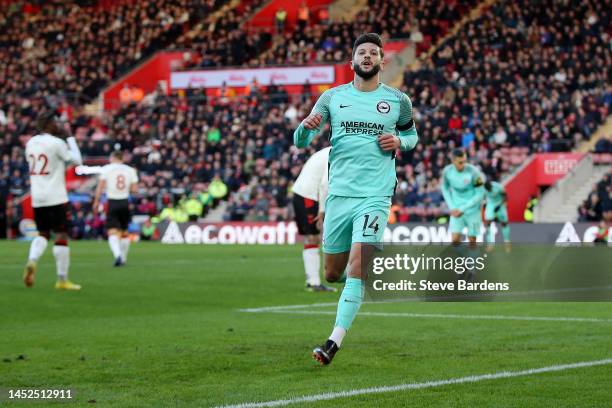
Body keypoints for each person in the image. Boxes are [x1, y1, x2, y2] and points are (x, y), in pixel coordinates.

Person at [294, 33, 418, 365]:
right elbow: (300, 140)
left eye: (373, 53)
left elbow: (411, 135)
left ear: (382, 61)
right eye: (361, 53)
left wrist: (400, 143)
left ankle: (333, 342)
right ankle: (347, 284)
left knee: (358, 267)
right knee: (333, 272)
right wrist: (306, 128)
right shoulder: (332, 98)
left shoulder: (397, 100)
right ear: (352, 62)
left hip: (376, 195)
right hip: (339, 197)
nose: (367, 57)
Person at [23, 112, 83, 290]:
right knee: (61, 234)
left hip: (37, 196)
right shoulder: (57, 143)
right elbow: (77, 160)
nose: (58, 125)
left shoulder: (30, 143)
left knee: (43, 233)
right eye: (55, 122)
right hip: (56, 195)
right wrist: (70, 138)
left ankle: (32, 261)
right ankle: (62, 279)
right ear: (49, 124)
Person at [292, 146, 335, 292]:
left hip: (302, 192)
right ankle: (313, 282)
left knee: (313, 238)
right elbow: (325, 184)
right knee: (313, 237)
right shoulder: (336, 153)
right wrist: (322, 210)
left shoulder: (331, 150)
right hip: (308, 195)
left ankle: (313, 281)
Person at [93, 151, 139, 266]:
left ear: (113, 157)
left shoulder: (107, 169)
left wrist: (96, 201)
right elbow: (134, 189)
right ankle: (123, 258)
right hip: (124, 201)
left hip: (112, 201)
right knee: (124, 231)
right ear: (122, 158)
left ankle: (118, 255)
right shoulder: (130, 170)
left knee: (112, 231)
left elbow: (100, 187)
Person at [441, 148, 485, 245]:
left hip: (472, 210)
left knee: (472, 240)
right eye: (460, 162)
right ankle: (461, 259)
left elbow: (480, 193)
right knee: (455, 240)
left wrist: (462, 208)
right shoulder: (447, 172)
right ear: (453, 161)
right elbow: (444, 188)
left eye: (465, 161)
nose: (463, 164)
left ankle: (472, 259)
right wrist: (452, 207)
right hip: (456, 210)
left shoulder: (474, 172)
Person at [483, 180, 511, 252]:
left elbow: (505, 195)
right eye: (488, 189)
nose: (489, 190)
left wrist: (501, 204)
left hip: (500, 204)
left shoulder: (498, 187)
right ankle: (490, 244)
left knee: (504, 223)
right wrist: (484, 204)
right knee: (488, 222)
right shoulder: (483, 189)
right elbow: (482, 197)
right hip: (491, 204)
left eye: (490, 188)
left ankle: (507, 243)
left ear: (491, 185)